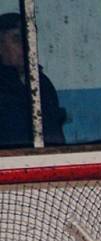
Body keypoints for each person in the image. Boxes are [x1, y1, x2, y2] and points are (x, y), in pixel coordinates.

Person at [0, 12, 65, 147]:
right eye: (17, 39)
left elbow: (55, 135)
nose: (26, 46)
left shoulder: (42, 82)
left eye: (29, 38)